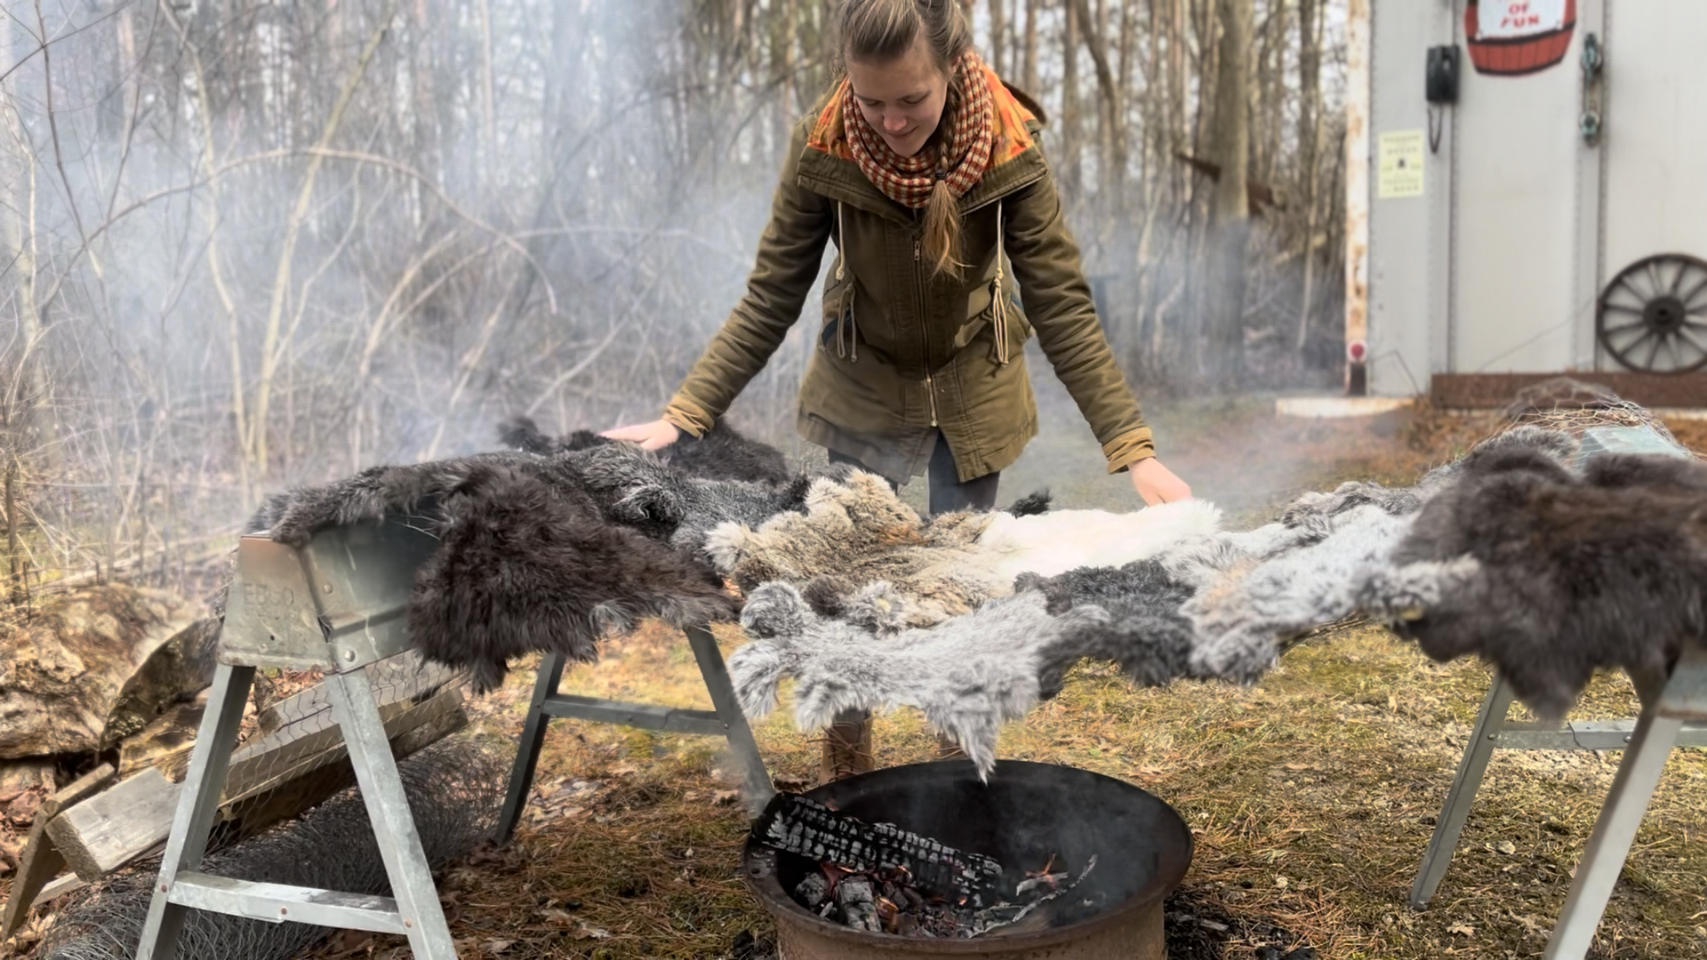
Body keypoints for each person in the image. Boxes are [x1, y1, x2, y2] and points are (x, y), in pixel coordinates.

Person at [605, 0, 1192, 780]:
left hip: (972, 381)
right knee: (849, 581)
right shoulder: (824, 145)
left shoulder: (1010, 147)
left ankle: (957, 764)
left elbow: (1060, 303)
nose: (890, 120)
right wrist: (686, 412)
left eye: (910, 99)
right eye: (871, 100)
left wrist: (1132, 449)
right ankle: (849, 764)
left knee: (959, 583)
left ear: (951, 68)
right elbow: (771, 293)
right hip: (862, 383)